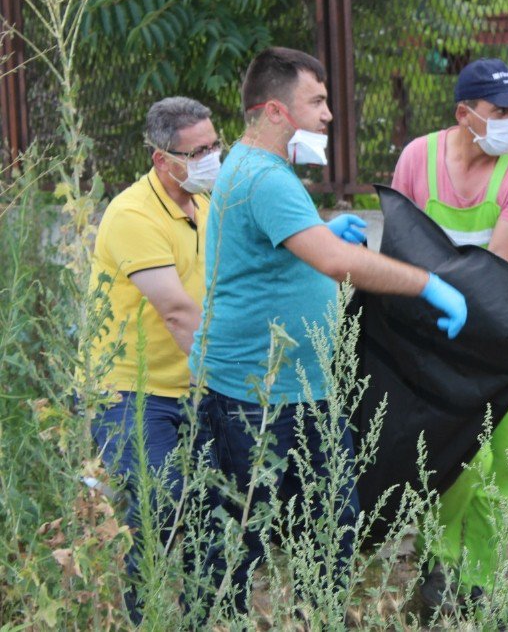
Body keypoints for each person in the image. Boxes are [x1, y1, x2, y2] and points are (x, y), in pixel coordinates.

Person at [189, 46, 468, 612]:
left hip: (292, 390)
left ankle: (308, 618)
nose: (328, 115)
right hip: (259, 400)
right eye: (315, 101)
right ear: (275, 111)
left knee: (325, 531)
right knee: (249, 546)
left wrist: (318, 225)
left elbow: (284, 244)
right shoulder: (264, 177)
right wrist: (426, 284)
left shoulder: (253, 169)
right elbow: (337, 264)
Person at [390, 56, 508, 625]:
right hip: (433, 334)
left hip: (505, 337)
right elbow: (402, 241)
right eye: (499, 110)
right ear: (465, 113)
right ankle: (439, 574)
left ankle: (481, 588)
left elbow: (495, 267)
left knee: (505, 463)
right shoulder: (419, 158)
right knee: (453, 459)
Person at [88, 96, 222, 621]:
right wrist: (236, 378)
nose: (211, 158)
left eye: (215, 145)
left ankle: (201, 617)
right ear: (160, 158)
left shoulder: (207, 202)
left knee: (217, 511)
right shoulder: (132, 214)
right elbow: (176, 311)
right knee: (161, 501)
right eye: (197, 152)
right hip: (130, 390)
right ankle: (143, 614)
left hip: (193, 386)